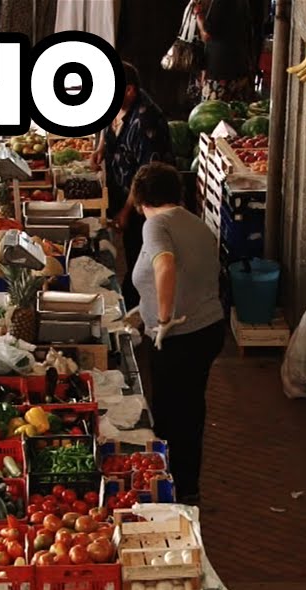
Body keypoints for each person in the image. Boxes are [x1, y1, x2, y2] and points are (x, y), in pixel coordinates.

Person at [129, 162, 225, 505]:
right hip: (208, 329)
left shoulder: (156, 224)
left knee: (171, 415)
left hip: (180, 337)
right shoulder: (196, 224)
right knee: (191, 409)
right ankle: (187, 485)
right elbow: (190, 276)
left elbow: (165, 265)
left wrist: (163, 318)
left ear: (141, 199)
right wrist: (141, 309)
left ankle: (171, 489)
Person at [93, 62, 173, 310]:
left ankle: (141, 307)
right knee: (128, 247)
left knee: (141, 252)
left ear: (129, 90)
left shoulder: (146, 121)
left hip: (146, 199)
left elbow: (143, 176)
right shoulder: (119, 105)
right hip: (121, 186)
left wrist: (126, 211)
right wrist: (101, 147)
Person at [193, 0, 256, 102]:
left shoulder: (219, 2)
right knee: (235, 109)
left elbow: (207, 33)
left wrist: (198, 14)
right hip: (240, 68)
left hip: (219, 70)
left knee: (215, 109)